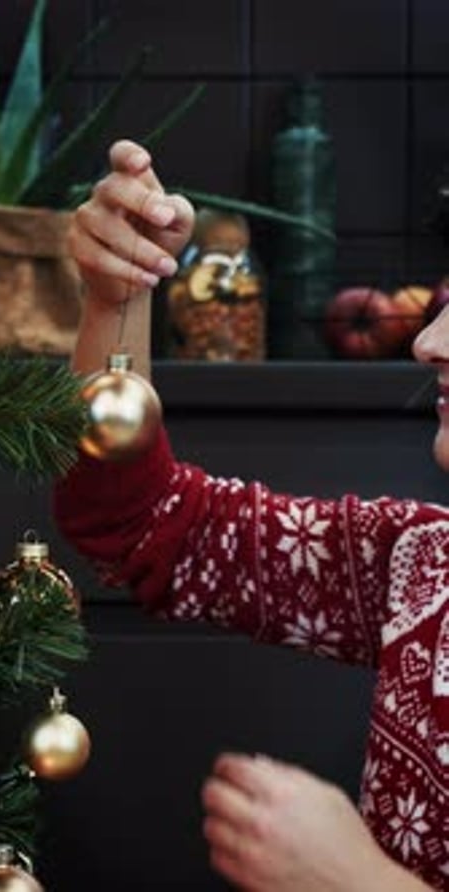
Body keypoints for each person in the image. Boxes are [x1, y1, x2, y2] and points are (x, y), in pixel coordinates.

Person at [54, 139, 448, 892]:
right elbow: (141, 523)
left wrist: (357, 881)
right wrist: (118, 294)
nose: (429, 344)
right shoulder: (424, 566)